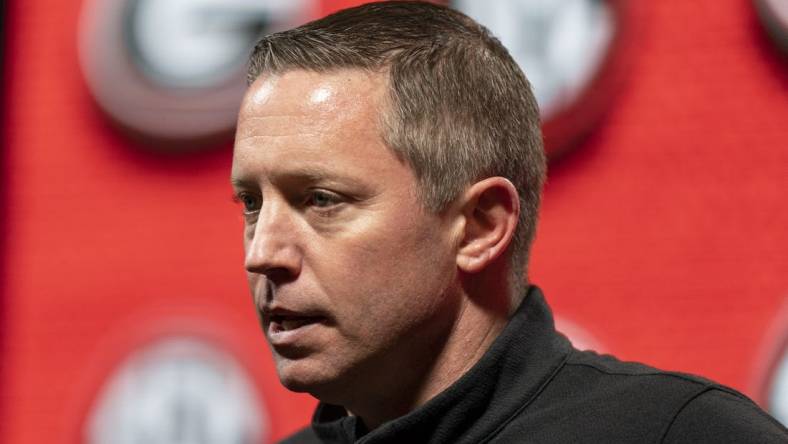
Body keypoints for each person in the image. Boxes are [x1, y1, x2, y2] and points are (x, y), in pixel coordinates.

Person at [230, 2, 788, 443]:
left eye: (321, 199)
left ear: (479, 227)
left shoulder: (688, 436)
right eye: (252, 204)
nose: (263, 253)